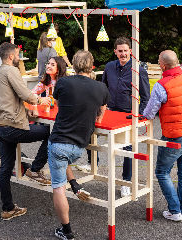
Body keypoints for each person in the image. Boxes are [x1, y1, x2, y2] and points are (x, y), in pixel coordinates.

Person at [47, 50, 109, 240]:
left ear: (73, 64)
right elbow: (101, 114)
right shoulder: (101, 88)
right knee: (64, 160)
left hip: (59, 142)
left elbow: (56, 102)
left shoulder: (64, 82)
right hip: (79, 147)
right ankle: (74, 184)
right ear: (92, 66)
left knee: (58, 188)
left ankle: (67, 232)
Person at [0, 42, 51, 220]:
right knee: (51, 133)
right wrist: (42, 101)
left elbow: (10, 100)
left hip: (0, 127)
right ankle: (35, 169)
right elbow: (25, 94)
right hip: (12, 127)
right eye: (17, 54)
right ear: (11, 56)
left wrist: (27, 112)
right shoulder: (11, 71)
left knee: (5, 168)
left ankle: (8, 209)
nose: (19, 57)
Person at [143, 50, 182, 222]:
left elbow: (149, 113)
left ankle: (175, 210)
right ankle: (181, 209)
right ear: (178, 62)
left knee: (162, 172)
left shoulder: (161, 85)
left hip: (175, 136)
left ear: (162, 65)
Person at [31, 56, 89, 198]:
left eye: (52, 64)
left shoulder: (65, 82)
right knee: (51, 140)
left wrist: (47, 101)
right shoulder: (46, 81)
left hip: (65, 119)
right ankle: (36, 169)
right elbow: (32, 94)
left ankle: (37, 169)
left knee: (54, 142)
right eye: (48, 64)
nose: (49, 66)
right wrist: (37, 102)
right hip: (51, 117)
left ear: (59, 68)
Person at [102, 36, 150, 197]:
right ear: (115, 51)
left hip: (128, 116)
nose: (123, 54)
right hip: (110, 113)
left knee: (128, 149)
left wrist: (139, 116)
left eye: (125, 51)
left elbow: (146, 97)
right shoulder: (109, 67)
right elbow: (103, 88)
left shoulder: (139, 70)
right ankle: (93, 166)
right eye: (120, 51)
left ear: (131, 51)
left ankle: (126, 182)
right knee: (109, 148)